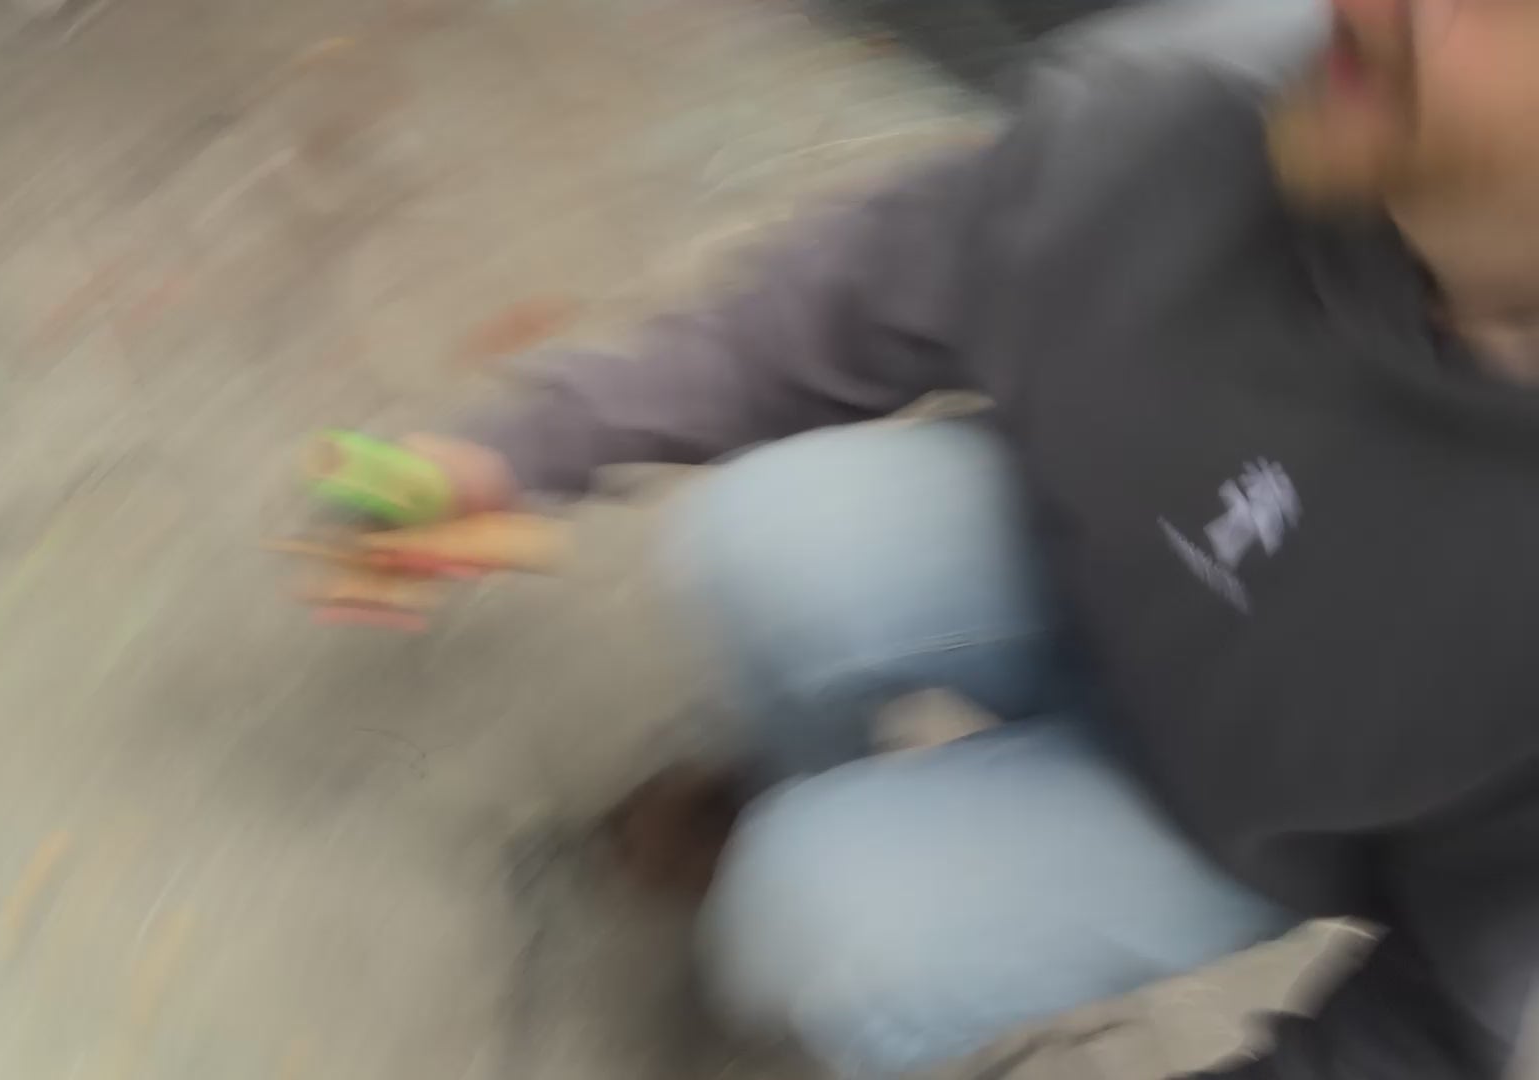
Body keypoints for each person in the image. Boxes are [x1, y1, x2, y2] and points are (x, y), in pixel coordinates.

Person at [389, 0, 1539, 1074]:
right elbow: (869, 285)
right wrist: (526, 453)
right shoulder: (1218, 90)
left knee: (823, 931)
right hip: (1083, 549)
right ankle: (791, 791)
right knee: (773, 533)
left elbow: (1446, 1016)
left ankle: (865, 946)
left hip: (1230, 827)